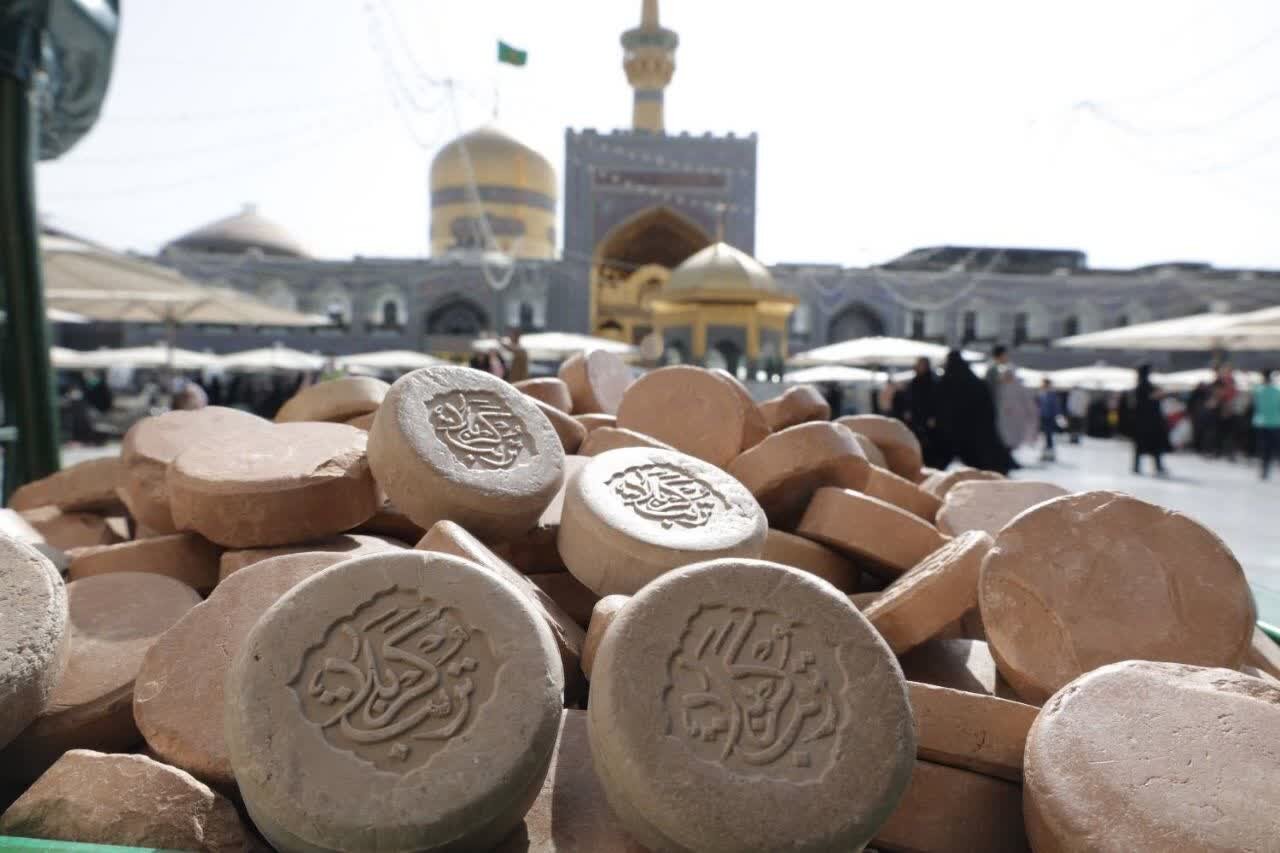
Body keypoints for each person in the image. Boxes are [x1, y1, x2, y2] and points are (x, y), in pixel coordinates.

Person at [938, 350, 1007, 473]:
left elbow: (943, 407)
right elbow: (988, 408)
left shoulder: (947, 382)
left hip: (957, 431)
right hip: (978, 432)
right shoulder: (976, 382)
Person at [905, 357, 949, 469]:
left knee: (932, 448)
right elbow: (910, 399)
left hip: (930, 422)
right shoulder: (915, 381)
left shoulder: (933, 381)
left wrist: (934, 416)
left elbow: (938, 401)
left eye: (920, 364)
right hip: (917, 422)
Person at [1131, 364, 1171, 476]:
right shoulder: (1144, 386)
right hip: (1150, 421)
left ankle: (1138, 466)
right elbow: (1148, 399)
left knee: (1144, 445)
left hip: (1143, 421)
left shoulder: (1140, 385)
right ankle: (1156, 466)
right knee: (1153, 445)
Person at [1253, 369, 1280, 480]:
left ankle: (1265, 468)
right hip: (1275, 422)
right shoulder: (1277, 392)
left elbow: (1256, 406)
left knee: (1264, 447)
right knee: (1274, 446)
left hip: (1261, 422)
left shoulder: (1259, 391)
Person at [1038, 378, 1061, 462]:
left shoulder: (1051, 394)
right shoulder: (1041, 393)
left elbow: (1055, 407)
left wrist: (1055, 416)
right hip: (1043, 417)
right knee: (1045, 436)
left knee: (1049, 435)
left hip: (1049, 417)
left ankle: (1050, 453)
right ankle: (1046, 452)